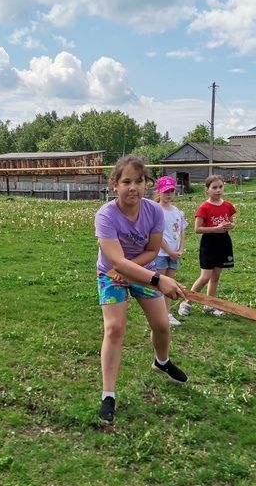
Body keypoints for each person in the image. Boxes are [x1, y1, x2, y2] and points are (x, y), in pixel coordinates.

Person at [94, 155, 189, 422]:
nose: (133, 187)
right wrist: (157, 279)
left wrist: (134, 273)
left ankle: (162, 362)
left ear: (146, 183)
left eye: (139, 181)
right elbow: (115, 260)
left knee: (161, 325)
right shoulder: (106, 215)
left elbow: (151, 250)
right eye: (126, 182)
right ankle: (108, 394)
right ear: (115, 185)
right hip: (109, 275)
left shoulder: (154, 211)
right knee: (114, 329)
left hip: (140, 271)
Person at [178, 175, 237, 319]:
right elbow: (197, 229)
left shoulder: (228, 205)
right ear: (207, 190)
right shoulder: (204, 207)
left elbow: (232, 222)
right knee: (205, 276)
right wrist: (216, 228)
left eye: (220, 187)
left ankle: (210, 305)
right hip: (209, 243)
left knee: (215, 276)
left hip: (223, 242)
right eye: (214, 188)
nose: (218, 190)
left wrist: (230, 226)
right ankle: (187, 301)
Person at [153, 175, 187, 327]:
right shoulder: (156, 211)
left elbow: (182, 231)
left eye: (171, 191)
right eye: (165, 191)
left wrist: (180, 249)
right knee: (160, 283)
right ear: (159, 191)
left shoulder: (177, 212)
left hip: (174, 253)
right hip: (161, 253)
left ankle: (167, 313)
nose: (168, 194)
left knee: (171, 284)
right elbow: (157, 235)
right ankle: (158, 313)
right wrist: (168, 250)